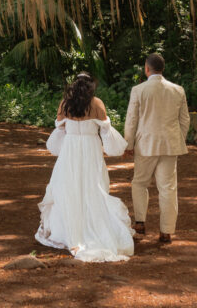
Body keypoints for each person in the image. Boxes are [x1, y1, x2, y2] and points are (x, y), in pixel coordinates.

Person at [35, 72, 134, 263]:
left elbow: (60, 129)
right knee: (93, 186)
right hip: (90, 149)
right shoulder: (97, 104)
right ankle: (95, 228)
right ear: (90, 86)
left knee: (68, 188)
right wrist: (115, 147)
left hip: (70, 150)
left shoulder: (65, 104)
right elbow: (106, 130)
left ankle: (67, 230)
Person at [123, 53, 190, 245]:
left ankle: (140, 222)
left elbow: (132, 120)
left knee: (140, 183)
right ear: (163, 68)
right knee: (168, 188)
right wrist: (178, 139)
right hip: (170, 144)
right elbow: (184, 120)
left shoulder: (139, 90)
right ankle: (166, 231)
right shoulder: (177, 90)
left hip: (145, 144)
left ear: (146, 68)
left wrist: (129, 144)